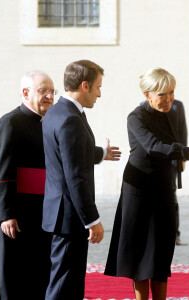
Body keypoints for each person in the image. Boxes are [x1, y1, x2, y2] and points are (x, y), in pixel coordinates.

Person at [105, 68, 189, 300]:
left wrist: (186, 156)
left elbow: (173, 143)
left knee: (162, 251)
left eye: (171, 92)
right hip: (139, 189)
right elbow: (154, 146)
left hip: (164, 185)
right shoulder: (136, 117)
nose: (169, 99)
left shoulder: (172, 112)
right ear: (147, 94)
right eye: (162, 94)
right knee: (141, 252)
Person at [42, 60, 121, 300]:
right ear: (85, 86)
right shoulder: (70, 119)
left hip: (61, 212)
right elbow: (74, 174)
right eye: (98, 87)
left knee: (70, 282)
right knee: (64, 284)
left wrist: (101, 153)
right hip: (70, 215)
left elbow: (71, 152)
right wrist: (92, 219)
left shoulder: (58, 112)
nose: (100, 93)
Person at [0, 70, 55, 300]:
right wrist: (5, 214)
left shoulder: (48, 123)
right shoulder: (10, 122)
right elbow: (0, 171)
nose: (49, 95)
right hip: (15, 214)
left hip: (41, 211)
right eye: (43, 90)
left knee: (37, 274)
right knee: (12, 277)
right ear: (25, 92)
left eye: (52, 91)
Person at [140, 99, 188, 245]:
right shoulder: (143, 107)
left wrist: (182, 157)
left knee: (171, 195)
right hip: (154, 159)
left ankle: (174, 233)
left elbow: (182, 131)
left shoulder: (177, 105)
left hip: (173, 159)